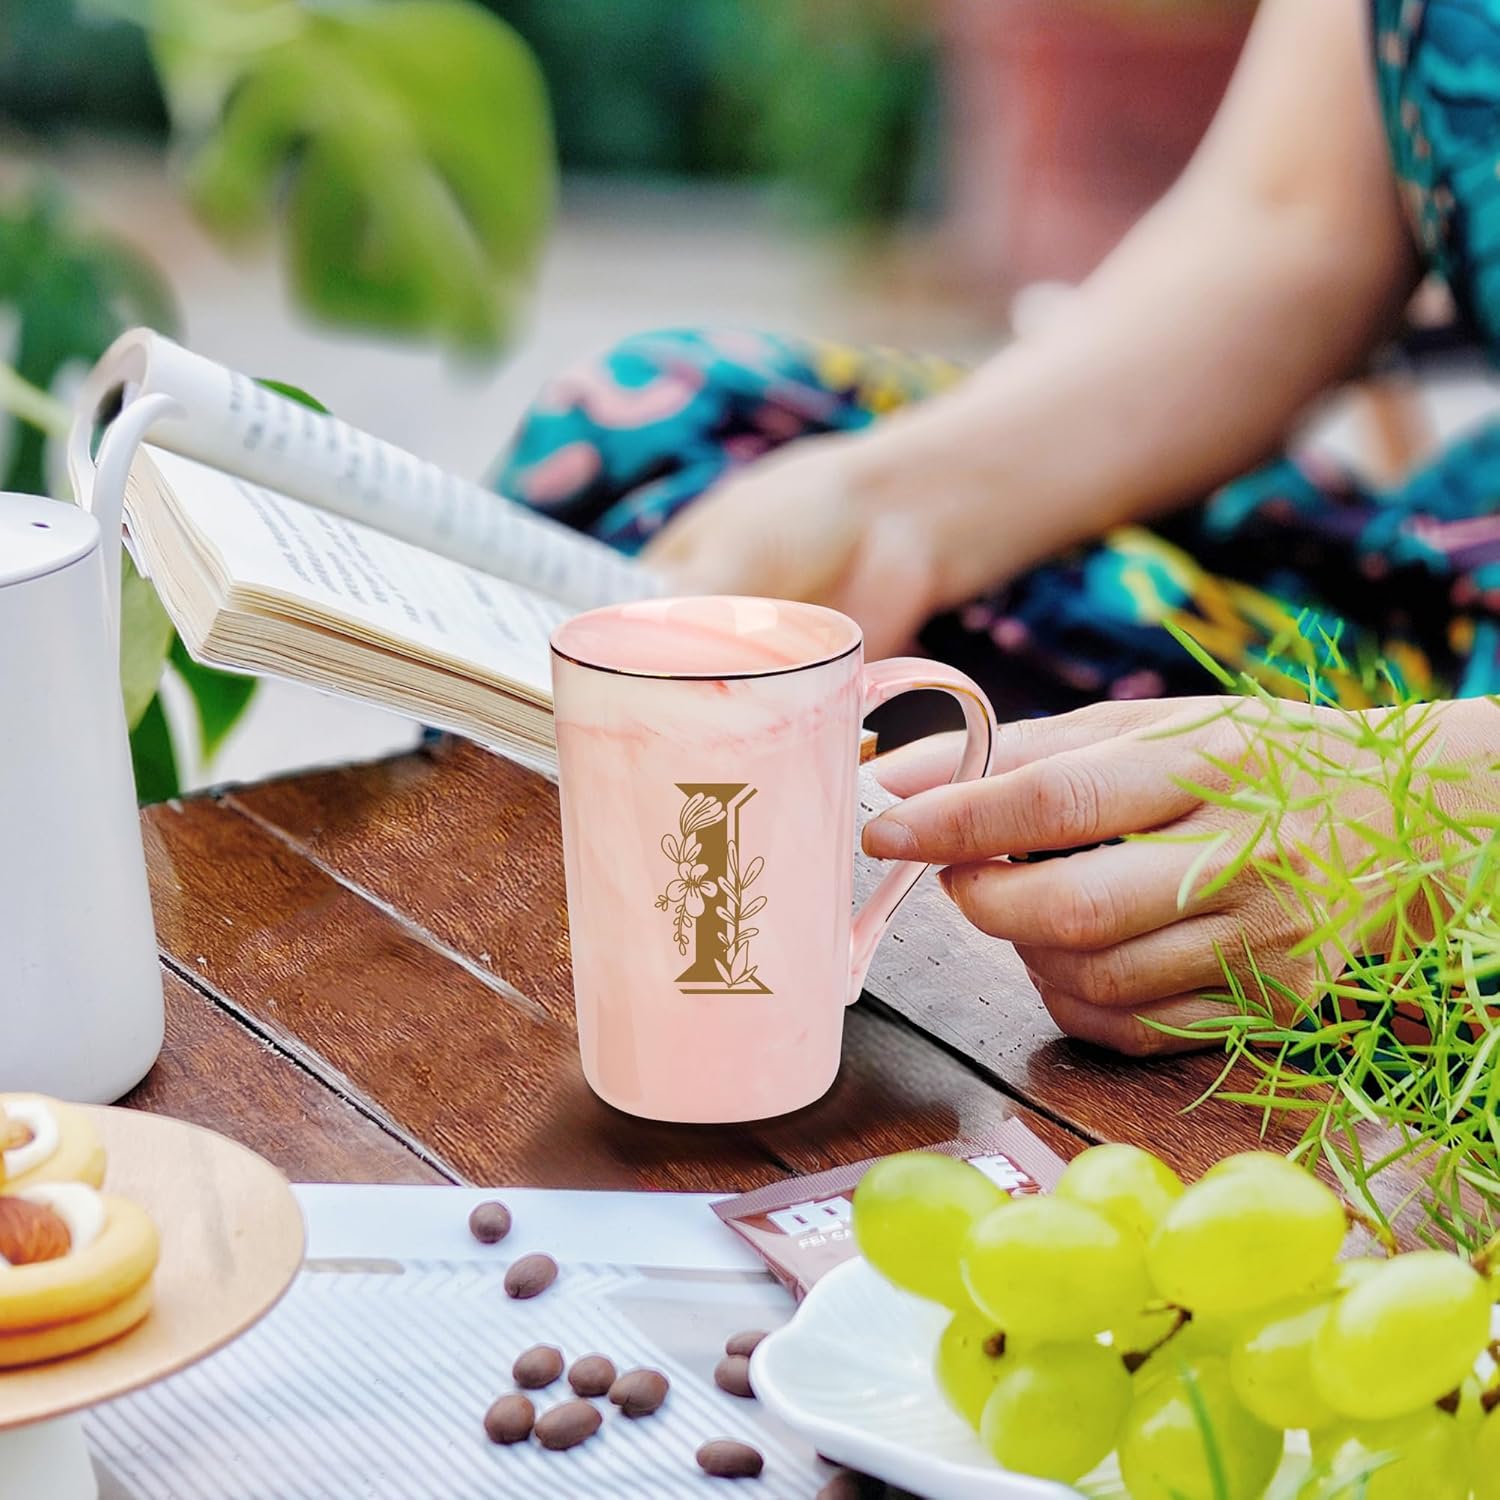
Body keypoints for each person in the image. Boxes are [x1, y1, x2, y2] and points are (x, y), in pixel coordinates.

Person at [502, 0, 1500, 1056]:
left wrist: (1430, 817)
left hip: (1454, 758)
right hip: (1439, 585)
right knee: (662, 445)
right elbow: (1290, 219)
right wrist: (897, 507)